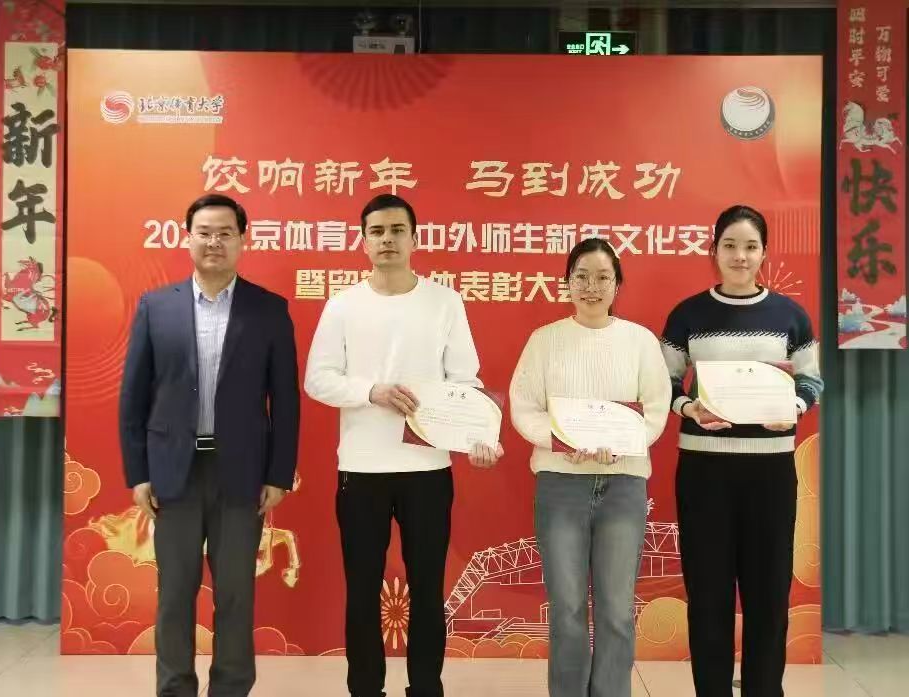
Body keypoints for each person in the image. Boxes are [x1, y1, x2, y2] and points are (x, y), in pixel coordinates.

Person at [304, 193, 502, 697]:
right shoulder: (343, 305)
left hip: (427, 469)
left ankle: (426, 688)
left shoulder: (444, 302)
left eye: (397, 230)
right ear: (363, 241)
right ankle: (365, 689)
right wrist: (371, 391)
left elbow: (465, 380)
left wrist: (479, 436)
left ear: (414, 238)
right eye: (377, 231)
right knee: (362, 591)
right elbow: (318, 379)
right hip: (362, 468)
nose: (387, 239)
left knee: (428, 591)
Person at [119, 193, 299, 697]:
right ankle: (175, 688)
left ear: (242, 240)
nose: (214, 242)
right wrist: (138, 473)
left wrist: (278, 474)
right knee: (175, 593)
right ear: (187, 238)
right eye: (204, 232)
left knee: (236, 594)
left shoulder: (268, 310)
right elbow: (133, 396)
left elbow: (285, 400)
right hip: (173, 471)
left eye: (225, 233)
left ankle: (231, 688)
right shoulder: (156, 307)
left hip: (241, 472)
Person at [660, 204, 823, 697]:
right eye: (730, 245)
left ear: (764, 252)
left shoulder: (790, 317)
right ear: (714, 251)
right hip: (704, 470)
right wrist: (689, 408)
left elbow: (812, 380)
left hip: (770, 471)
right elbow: (663, 383)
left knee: (768, 596)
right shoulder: (688, 315)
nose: (740, 256)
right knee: (708, 594)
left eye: (751, 246)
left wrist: (795, 406)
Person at [509, 237, 671, 697]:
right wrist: (560, 441)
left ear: (617, 284)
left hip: (623, 485)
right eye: (581, 276)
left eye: (603, 277)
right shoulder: (544, 341)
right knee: (567, 609)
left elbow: (656, 408)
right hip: (561, 484)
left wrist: (623, 444)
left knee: (617, 609)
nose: (591, 286)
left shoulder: (640, 341)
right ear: (567, 283)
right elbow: (523, 407)